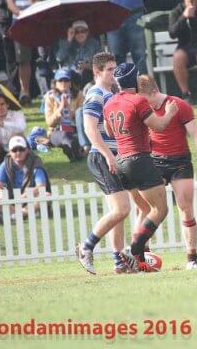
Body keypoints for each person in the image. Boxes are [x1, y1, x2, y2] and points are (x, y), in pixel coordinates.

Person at [76, 61, 180, 274]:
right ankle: (134, 250)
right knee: (160, 209)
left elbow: (111, 132)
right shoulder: (138, 101)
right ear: (134, 79)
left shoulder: (110, 102)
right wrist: (169, 112)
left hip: (120, 160)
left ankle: (127, 260)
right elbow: (159, 125)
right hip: (138, 159)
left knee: (133, 209)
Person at [136, 73, 197, 269]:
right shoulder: (141, 108)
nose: (143, 104)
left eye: (145, 99)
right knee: (145, 208)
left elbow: (196, 136)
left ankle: (192, 259)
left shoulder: (178, 104)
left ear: (154, 92)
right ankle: (141, 257)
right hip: (155, 161)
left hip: (180, 162)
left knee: (186, 208)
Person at [75, 52, 128, 275]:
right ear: (97, 72)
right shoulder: (96, 93)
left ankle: (119, 261)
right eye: (109, 69)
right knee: (121, 209)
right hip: (102, 156)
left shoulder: (111, 93)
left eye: (115, 68)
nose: (114, 73)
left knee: (118, 212)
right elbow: (89, 128)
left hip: (112, 155)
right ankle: (86, 247)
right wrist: (108, 154)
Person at [0, 136, 50, 217]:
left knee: (46, 195)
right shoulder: (6, 164)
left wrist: (24, 196)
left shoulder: (35, 162)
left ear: (27, 150)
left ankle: (15, 214)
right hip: (12, 201)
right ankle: (23, 213)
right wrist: (0, 192)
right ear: (9, 152)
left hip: (30, 199)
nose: (18, 152)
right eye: (14, 150)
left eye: (21, 149)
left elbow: (41, 186)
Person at [5, 0, 34, 105]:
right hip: (20, 23)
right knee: (23, 60)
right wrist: (21, 14)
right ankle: (25, 92)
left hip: (39, 21)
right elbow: (10, 3)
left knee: (43, 58)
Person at [44, 68, 84, 162]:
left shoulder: (79, 95)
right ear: (55, 83)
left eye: (66, 80)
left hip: (75, 129)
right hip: (58, 130)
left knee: (73, 137)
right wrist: (61, 108)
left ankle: (73, 151)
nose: (63, 83)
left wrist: (70, 111)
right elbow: (49, 123)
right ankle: (74, 152)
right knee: (65, 136)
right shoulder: (50, 97)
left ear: (70, 83)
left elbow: (82, 116)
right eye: (60, 80)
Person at [56, 20, 101, 88]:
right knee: (70, 74)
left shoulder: (94, 44)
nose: (80, 34)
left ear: (87, 32)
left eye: (83, 31)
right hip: (70, 74)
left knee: (85, 73)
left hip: (88, 75)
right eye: (77, 32)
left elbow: (102, 64)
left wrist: (89, 66)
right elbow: (59, 58)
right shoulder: (65, 42)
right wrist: (69, 40)